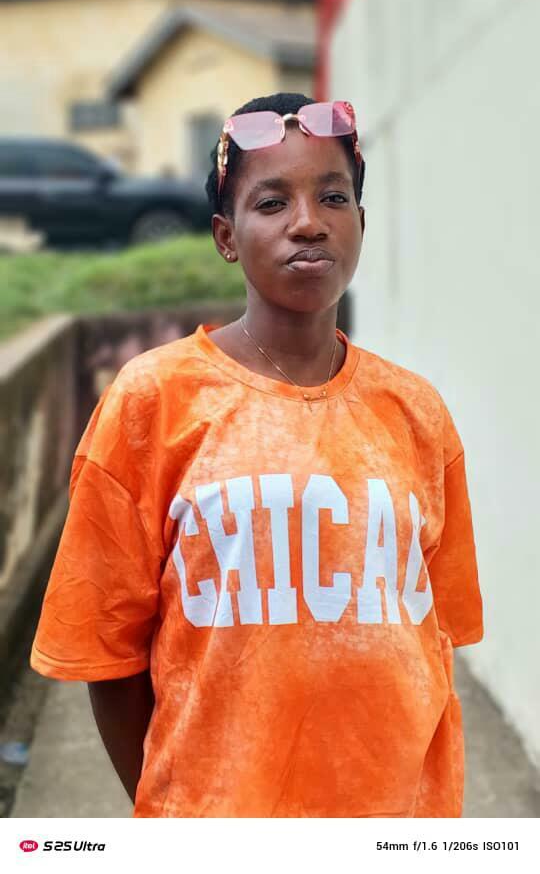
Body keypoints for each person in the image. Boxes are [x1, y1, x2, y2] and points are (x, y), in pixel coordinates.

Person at [30, 92, 483, 818]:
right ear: (226, 236)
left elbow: (437, 634)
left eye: (333, 197)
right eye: (271, 203)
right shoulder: (154, 400)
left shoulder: (416, 411)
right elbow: (108, 656)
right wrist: (180, 812)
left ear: (360, 223)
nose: (308, 222)